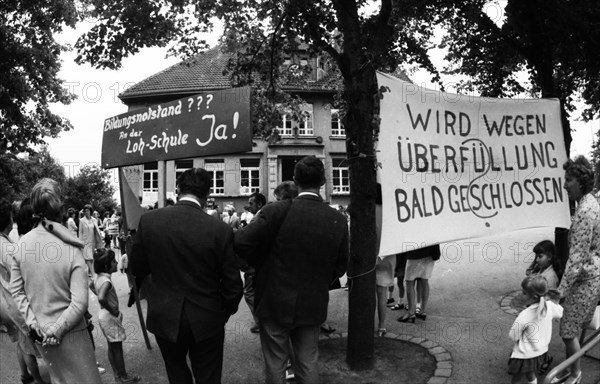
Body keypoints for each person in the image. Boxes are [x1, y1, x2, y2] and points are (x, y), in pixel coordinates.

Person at [235, 156, 349, 383]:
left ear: (295, 181)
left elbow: (240, 242)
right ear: (324, 181)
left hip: (274, 300)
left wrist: (261, 264)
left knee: (276, 363)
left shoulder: (275, 211)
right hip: (312, 301)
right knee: (308, 361)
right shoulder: (336, 218)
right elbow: (340, 266)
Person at [131, 168, 243, 384]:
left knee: (176, 373)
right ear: (207, 194)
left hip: (165, 314)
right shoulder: (219, 229)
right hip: (207, 316)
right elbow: (233, 285)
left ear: (178, 189)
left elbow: (137, 267)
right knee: (208, 376)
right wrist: (224, 312)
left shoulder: (149, 221)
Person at [10, 178, 102, 384]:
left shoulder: (20, 246)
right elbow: (80, 302)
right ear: (59, 206)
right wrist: (57, 330)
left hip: (41, 332)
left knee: (59, 379)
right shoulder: (71, 246)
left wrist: (34, 324)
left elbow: (16, 292)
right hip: (71, 332)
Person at [551, 156, 600, 384]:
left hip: (585, 281)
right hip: (591, 277)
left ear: (580, 182)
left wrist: (560, 291)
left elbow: (577, 258)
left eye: (568, 180)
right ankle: (571, 368)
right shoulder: (590, 202)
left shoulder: (584, 211)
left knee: (567, 331)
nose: (564, 185)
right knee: (573, 327)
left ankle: (575, 374)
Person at [0, 199, 49, 384]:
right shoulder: (7, 248)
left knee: (21, 341)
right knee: (28, 344)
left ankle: (25, 375)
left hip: (4, 301)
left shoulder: (4, 241)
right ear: (9, 218)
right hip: (14, 302)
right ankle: (38, 380)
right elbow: (24, 276)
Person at [93, 248, 140, 383]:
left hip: (103, 315)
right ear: (107, 266)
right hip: (109, 316)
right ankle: (124, 377)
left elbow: (91, 285)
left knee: (111, 346)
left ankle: (117, 374)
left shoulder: (99, 277)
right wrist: (112, 309)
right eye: (113, 261)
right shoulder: (107, 282)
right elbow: (101, 298)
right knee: (117, 349)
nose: (116, 263)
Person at [508, 276, 563, 384]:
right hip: (540, 351)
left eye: (524, 293)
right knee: (530, 372)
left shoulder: (525, 315)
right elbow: (560, 312)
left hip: (525, 354)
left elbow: (513, 335)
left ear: (533, 297)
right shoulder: (550, 306)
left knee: (516, 379)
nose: (521, 294)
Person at [242, 192, 267, 334]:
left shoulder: (259, 218)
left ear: (259, 204)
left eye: (251, 203)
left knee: (249, 292)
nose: (249, 205)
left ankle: (261, 321)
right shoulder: (260, 217)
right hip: (257, 264)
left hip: (254, 265)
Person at [397, 244, 440, 323]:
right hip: (430, 252)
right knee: (425, 281)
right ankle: (422, 310)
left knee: (409, 282)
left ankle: (411, 312)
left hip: (415, 253)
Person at [79, 204, 103, 279]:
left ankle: (89, 272)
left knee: (92, 258)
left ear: (91, 211)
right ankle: (93, 274)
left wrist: (100, 238)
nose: (86, 212)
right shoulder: (82, 221)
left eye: (88, 211)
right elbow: (80, 232)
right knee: (88, 258)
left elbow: (97, 230)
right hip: (85, 241)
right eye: (85, 211)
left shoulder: (94, 220)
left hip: (93, 241)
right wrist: (80, 242)